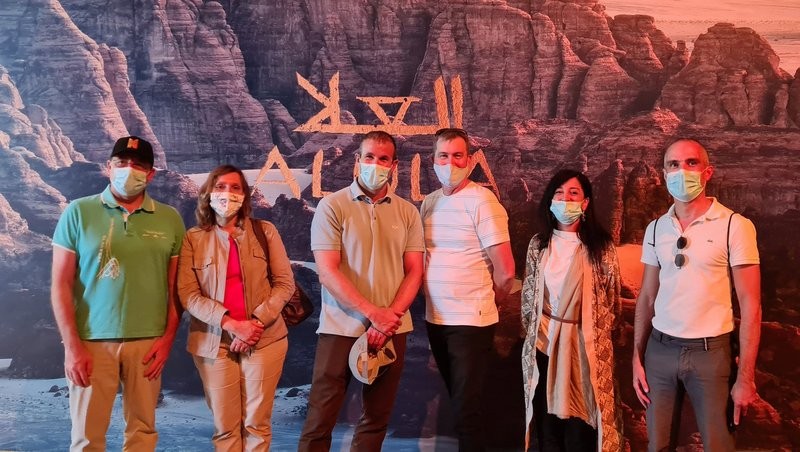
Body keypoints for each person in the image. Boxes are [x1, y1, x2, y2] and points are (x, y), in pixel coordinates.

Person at [50, 136, 185, 451]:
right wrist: (72, 347)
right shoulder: (78, 212)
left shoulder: (170, 219)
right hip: (91, 342)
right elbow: (60, 284)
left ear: (150, 174)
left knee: (142, 434)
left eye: (138, 165)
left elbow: (175, 288)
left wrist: (167, 340)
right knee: (86, 438)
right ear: (108, 167)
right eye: (122, 162)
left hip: (148, 343)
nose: (129, 169)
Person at [298, 130, 425, 451]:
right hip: (340, 327)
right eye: (369, 157)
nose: (375, 164)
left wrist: (388, 318)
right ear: (357, 160)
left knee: (376, 418)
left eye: (383, 159)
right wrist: (373, 314)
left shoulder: (408, 212)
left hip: (393, 328)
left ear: (394, 165)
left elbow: (415, 271)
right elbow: (327, 272)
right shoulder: (332, 206)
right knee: (320, 418)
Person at [632, 139, 761, 451]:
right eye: (673, 165)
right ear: (664, 174)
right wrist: (637, 356)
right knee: (657, 444)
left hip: (711, 354)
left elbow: (751, 305)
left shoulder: (735, 226)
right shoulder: (656, 229)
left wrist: (745, 378)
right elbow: (647, 297)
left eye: (691, 163)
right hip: (660, 351)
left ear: (707, 172)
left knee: (719, 443)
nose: (682, 172)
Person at [177, 165, 295, 451]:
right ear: (208, 193)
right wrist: (232, 325)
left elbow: (284, 284)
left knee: (257, 425)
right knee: (226, 427)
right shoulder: (193, 238)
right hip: (213, 343)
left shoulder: (265, 231)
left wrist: (255, 324)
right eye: (220, 187)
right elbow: (189, 295)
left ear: (245, 196)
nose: (227, 194)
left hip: (264, 340)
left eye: (235, 188)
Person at [419, 128, 515, 451]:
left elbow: (506, 272)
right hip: (436, 320)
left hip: (471, 323)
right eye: (444, 156)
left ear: (470, 160)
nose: (451, 163)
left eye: (458, 155)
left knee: (466, 412)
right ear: (434, 160)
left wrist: (491, 301)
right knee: (460, 404)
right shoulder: (429, 203)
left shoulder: (483, 201)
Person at [521, 169, 624, 452]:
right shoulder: (539, 245)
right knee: (548, 431)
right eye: (559, 193)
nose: (565, 199)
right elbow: (528, 299)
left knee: (581, 432)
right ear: (550, 200)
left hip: (586, 349)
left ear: (585, 202)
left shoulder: (601, 247)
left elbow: (612, 303)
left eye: (573, 193)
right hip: (544, 346)